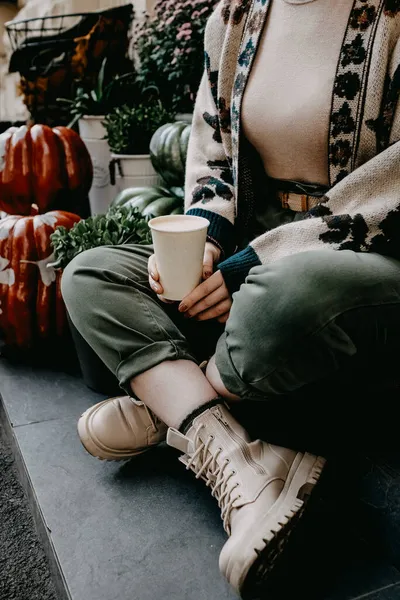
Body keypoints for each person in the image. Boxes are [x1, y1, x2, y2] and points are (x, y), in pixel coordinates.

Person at [62, 0, 400, 597]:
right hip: (253, 255)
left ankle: (168, 408)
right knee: (92, 274)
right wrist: (208, 244)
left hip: (364, 257)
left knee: (283, 297)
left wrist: (250, 267)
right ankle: (240, 457)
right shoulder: (237, 15)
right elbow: (213, 150)